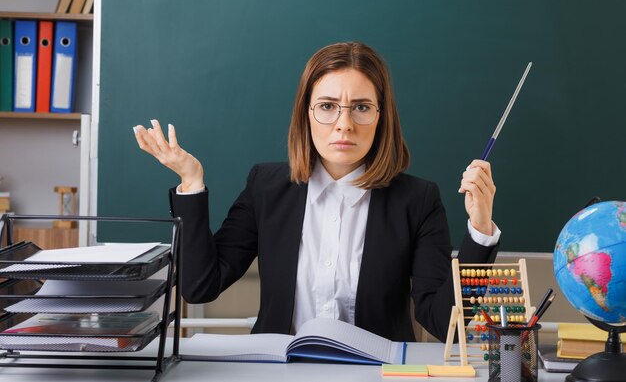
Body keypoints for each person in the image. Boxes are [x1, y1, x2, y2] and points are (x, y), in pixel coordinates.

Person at [133, 42, 500, 342]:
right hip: (280, 372)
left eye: (360, 107)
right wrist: (191, 183)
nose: (344, 125)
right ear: (306, 115)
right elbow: (200, 286)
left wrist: (480, 230)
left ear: (381, 116)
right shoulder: (266, 187)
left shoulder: (417, 201)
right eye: (327, 106)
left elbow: (443, 322)